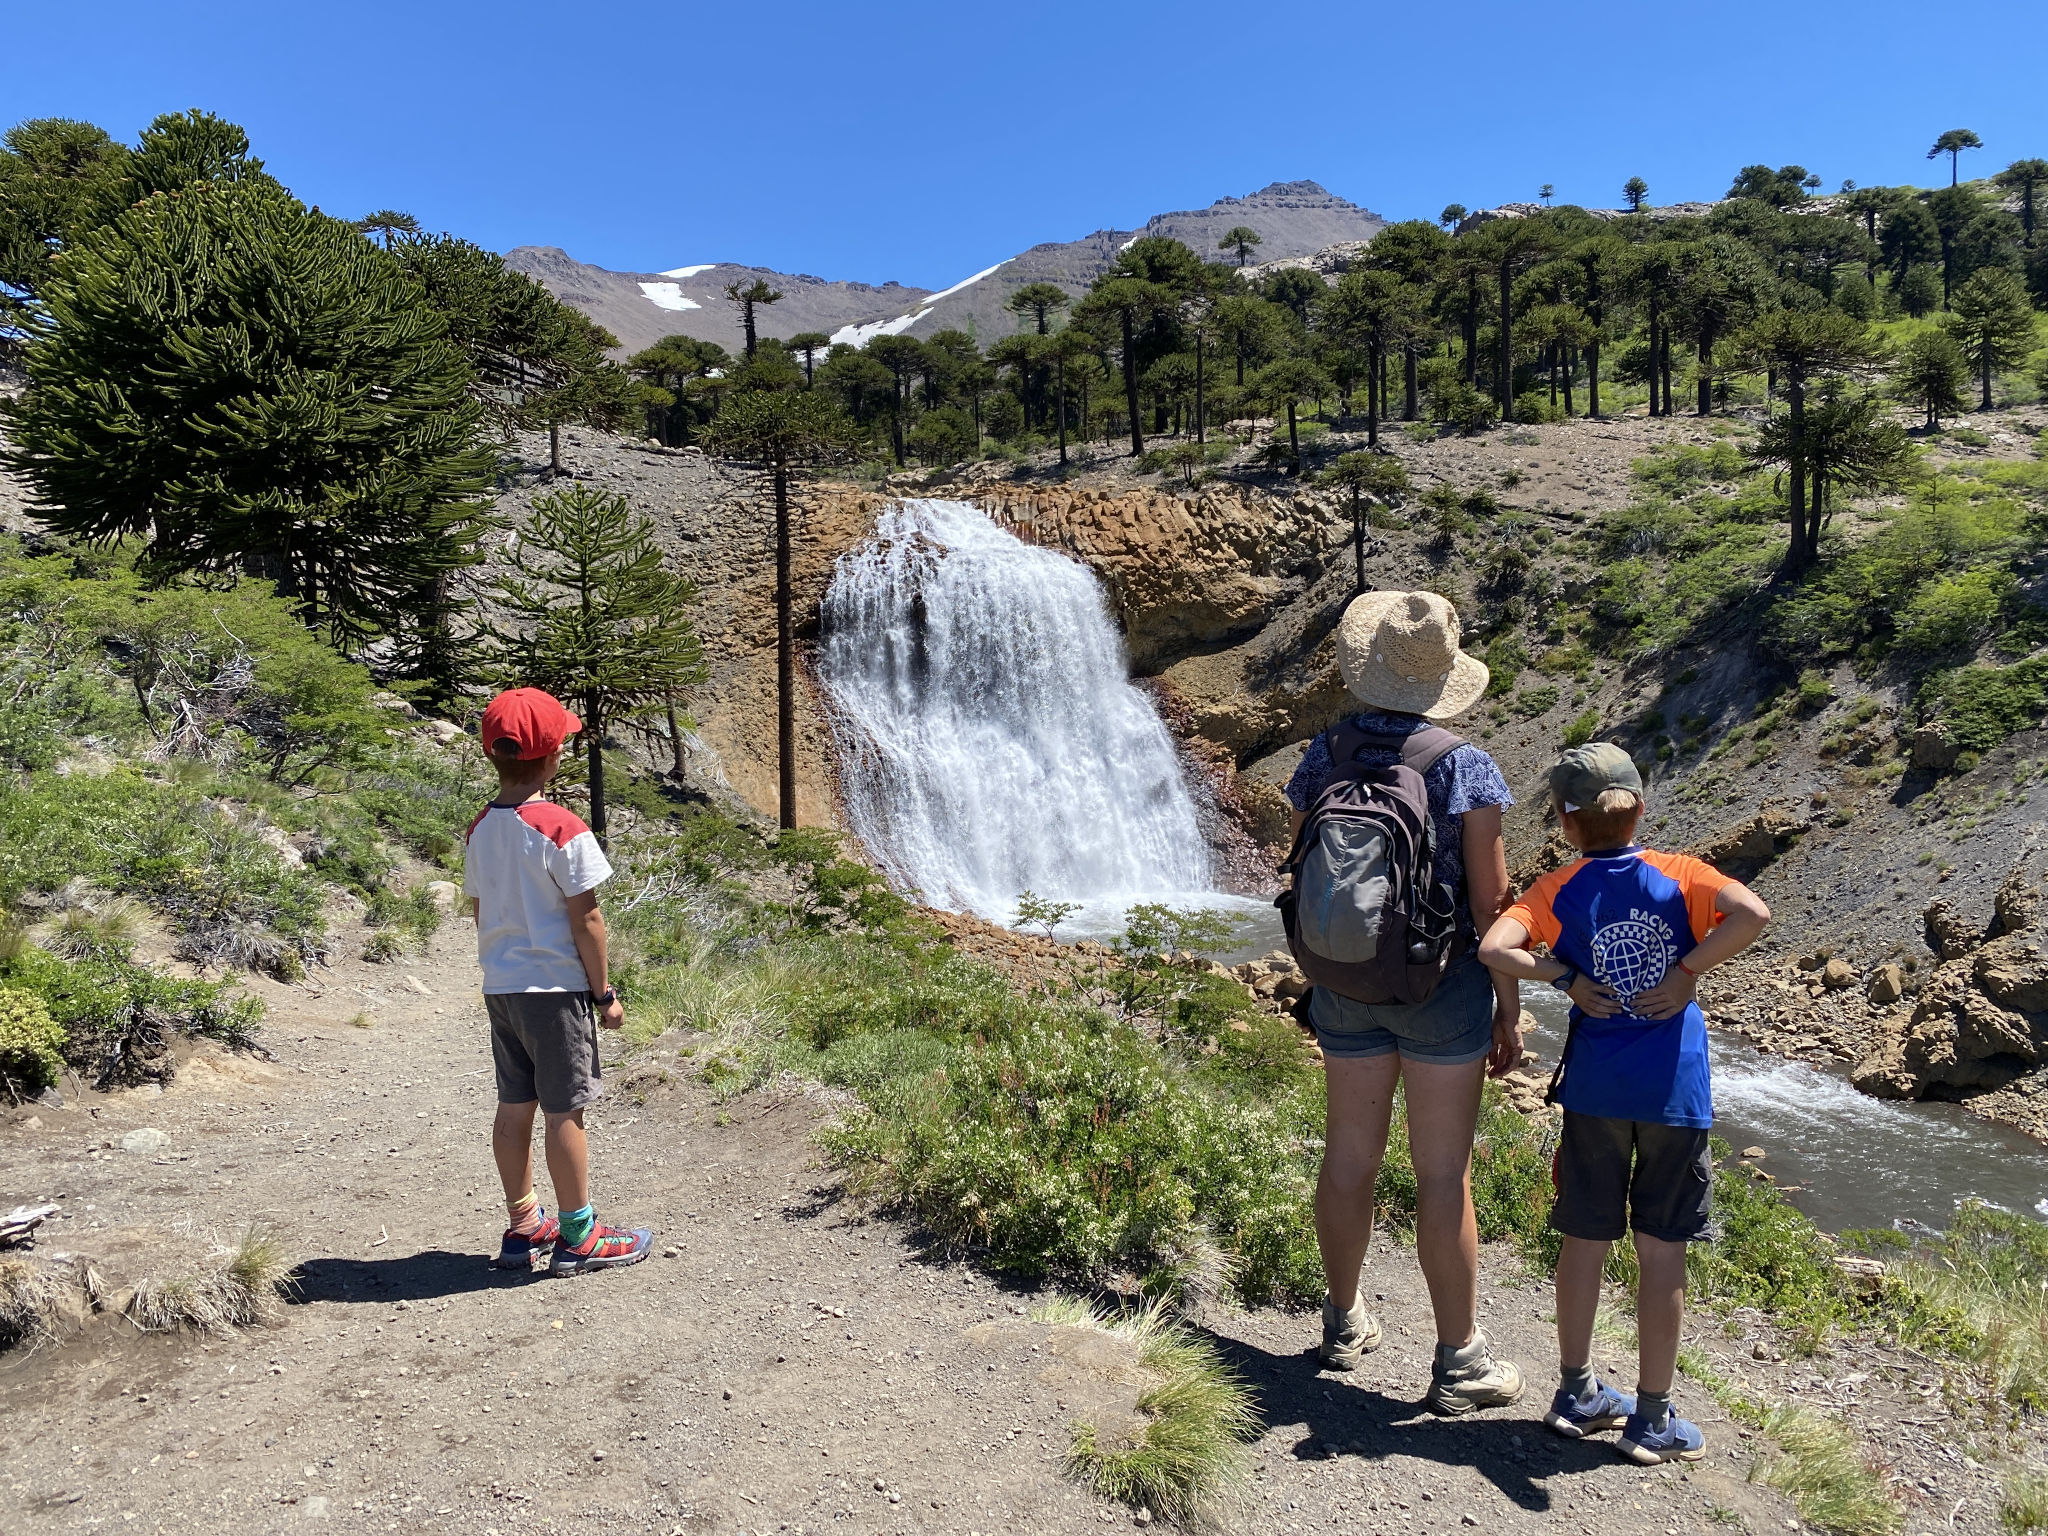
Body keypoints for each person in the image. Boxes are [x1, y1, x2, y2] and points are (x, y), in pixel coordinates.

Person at [1477, 743, 1768, 1465]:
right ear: (1640, 807)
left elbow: (1493, 948)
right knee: (1661, 1249)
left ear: (1566, 823)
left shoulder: (1556, 886)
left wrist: (1565, 977)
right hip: (1673, 1090)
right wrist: (1688, 970)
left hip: (1596, 1091)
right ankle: (1653, 1418)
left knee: (1585, 1239)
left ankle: (1576, 1393)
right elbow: (1753, 913)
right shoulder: (1681, 873)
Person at [1283, 590, 1525, 1415]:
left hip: (1343, 980)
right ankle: (1458, 1363)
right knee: (1441, 1175)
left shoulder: (1327, 748)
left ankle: (1343, 1323)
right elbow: (1493, 909)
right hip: (1440, 987)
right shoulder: (1464, 764)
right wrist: (1509, 1008)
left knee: (1348, 1158)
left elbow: (1309, 855)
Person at [465, 687, 653, 1277]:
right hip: (555, 990)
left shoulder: (479, 829)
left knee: (514, 1103)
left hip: (503, 986)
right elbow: (588, 918)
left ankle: (524, 1223)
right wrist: (605, 994)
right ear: (553, 757)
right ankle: (579, 1233)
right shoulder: (561, 827)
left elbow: (479, 909)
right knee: (565, 1110)